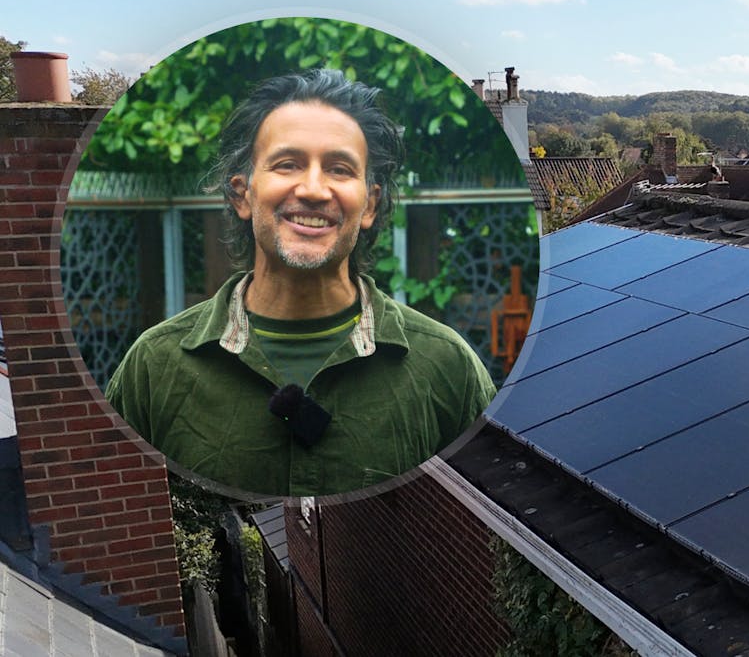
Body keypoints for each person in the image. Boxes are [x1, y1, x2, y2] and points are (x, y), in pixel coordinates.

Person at [106, 69, 496, 497]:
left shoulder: (448, 369)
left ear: (370, 204)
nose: (313, 189)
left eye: (339, 169)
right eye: (287, 164)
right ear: (242, 194)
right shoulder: (152, 369)